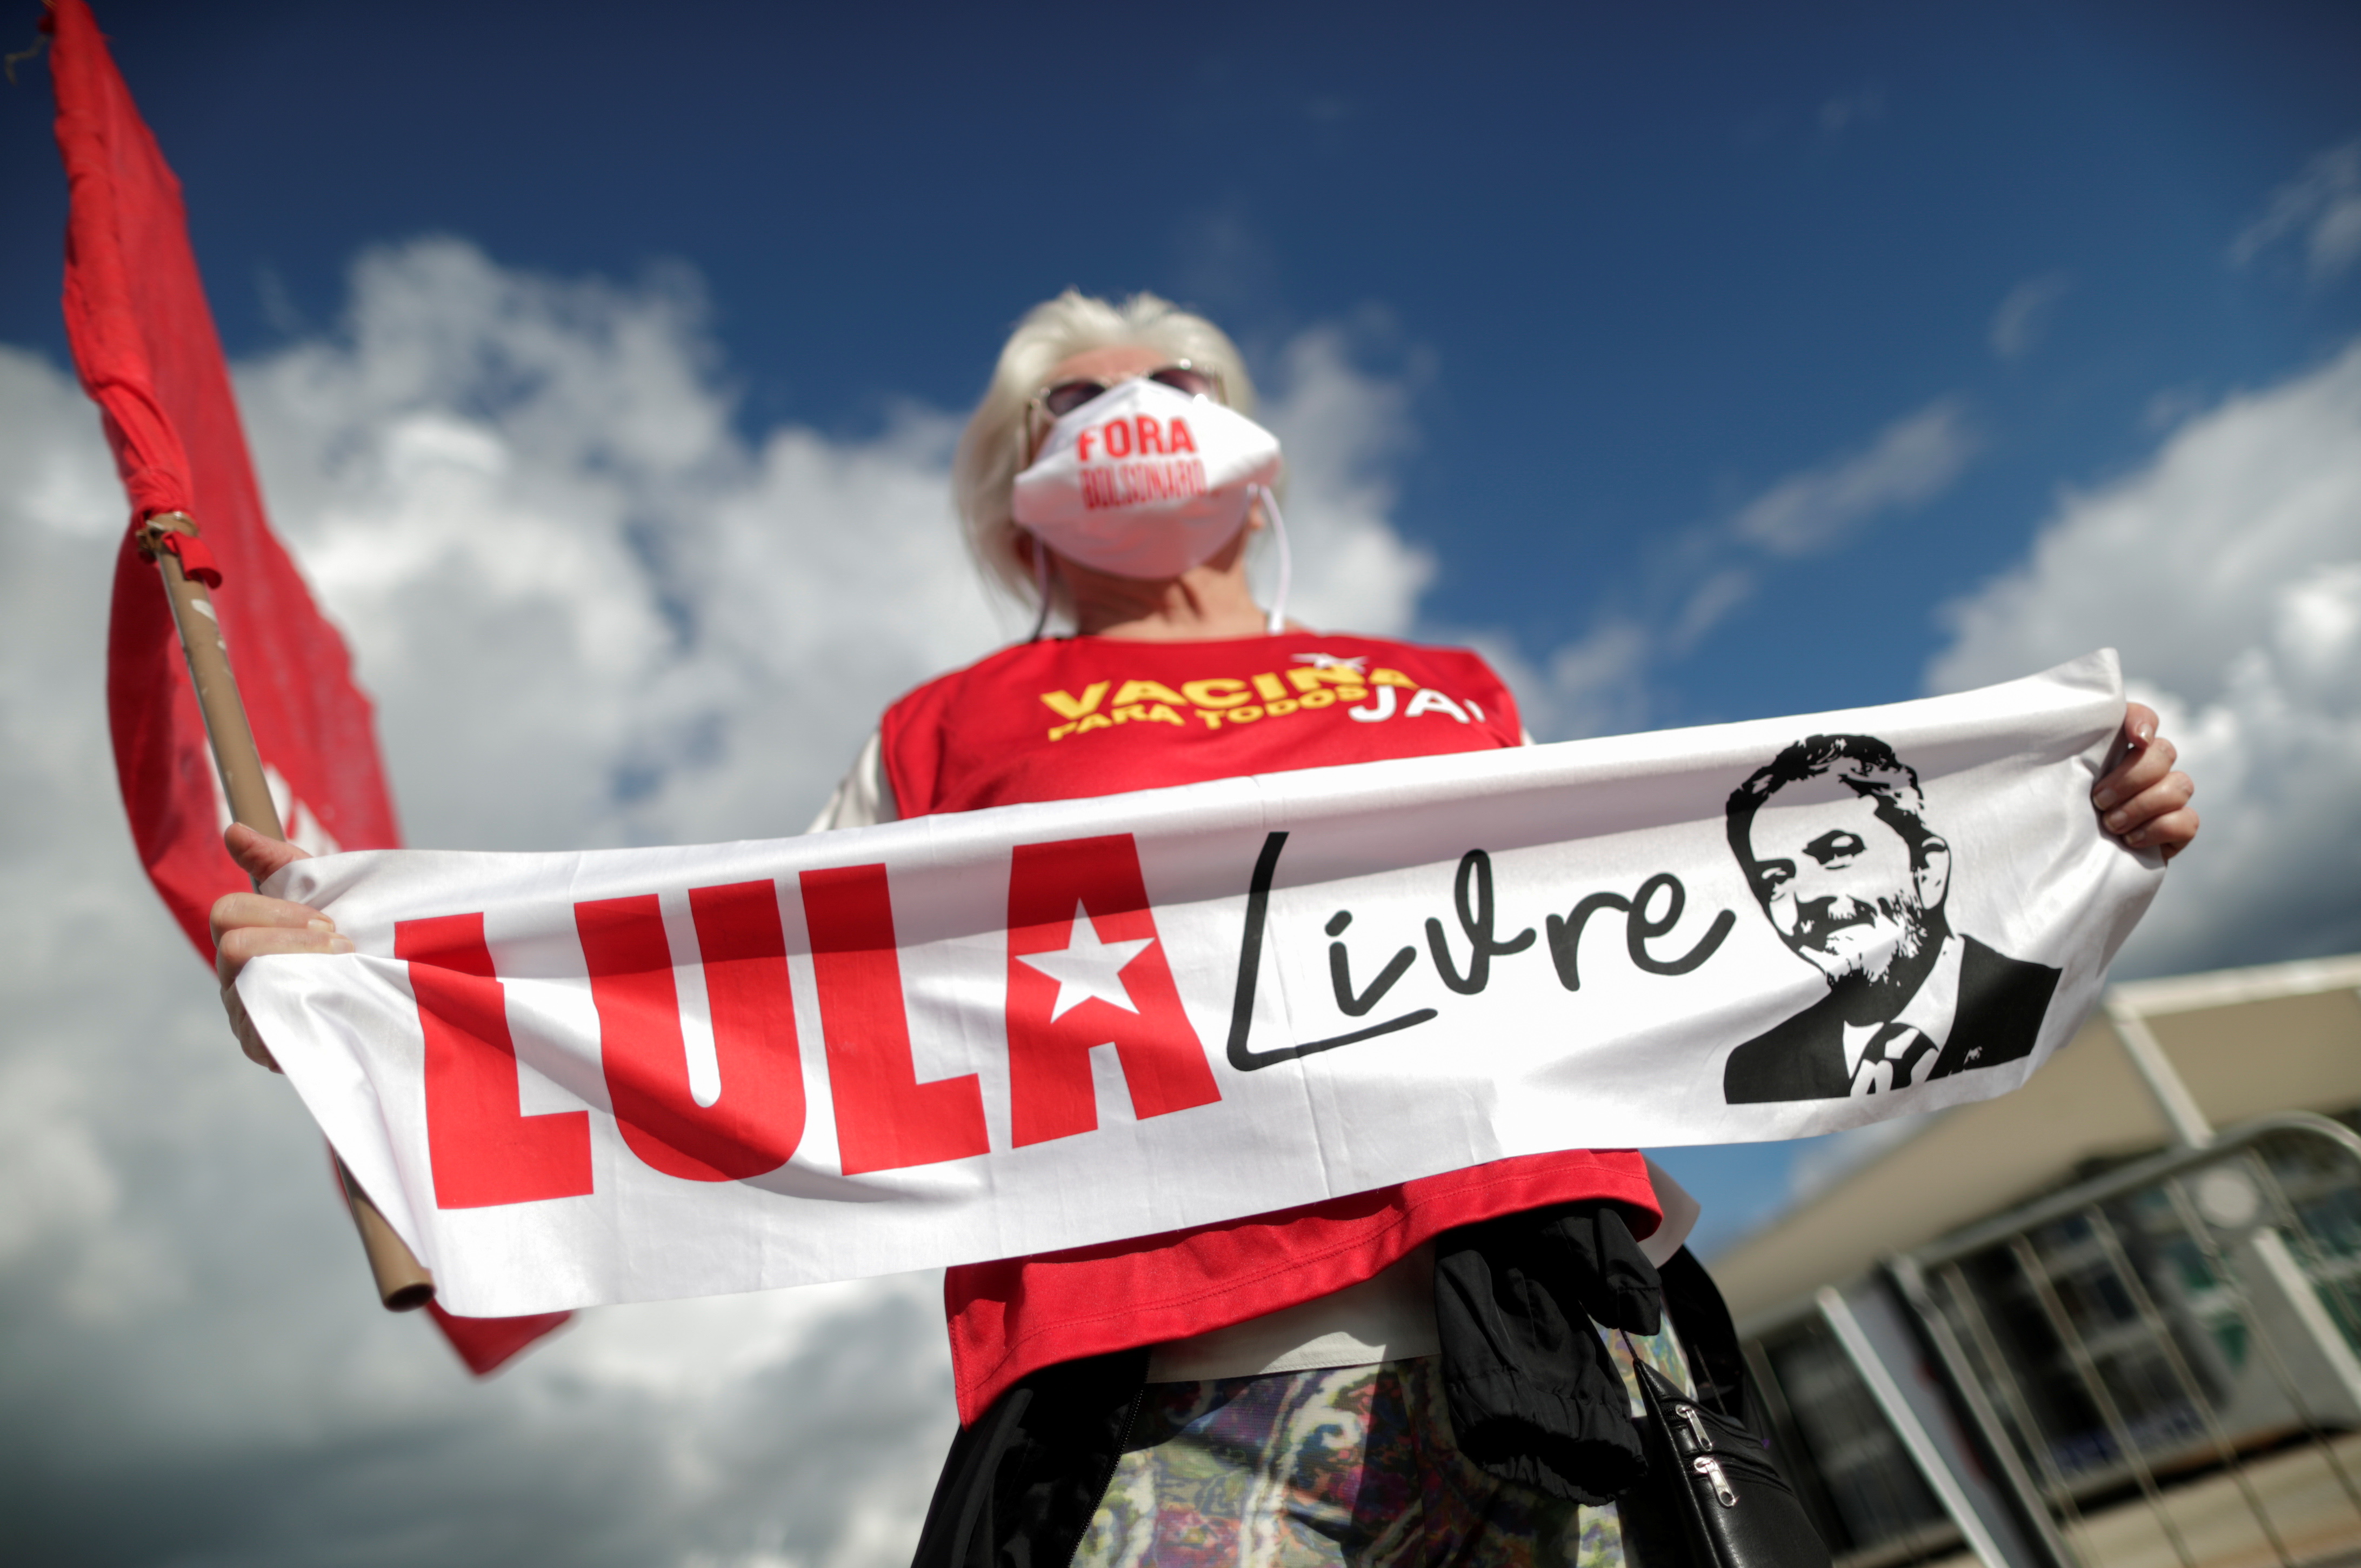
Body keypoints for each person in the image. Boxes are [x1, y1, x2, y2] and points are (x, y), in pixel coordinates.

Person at [209, 291, 2200, 1568]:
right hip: (1162, 1407)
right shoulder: (935, 733)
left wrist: (2070, 836)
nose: (1135, 411)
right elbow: (726, 998)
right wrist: (368, 997)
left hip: (1533, 1354)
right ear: (1016, 499)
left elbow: (1699, 934)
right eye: (1080, 397)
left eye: (1179, 383)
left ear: (1252, 468)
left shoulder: (1444, 685)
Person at [1721, 733, 2063, 1104]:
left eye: (1837, 853)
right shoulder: (1755, 1073)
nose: (1806, 899)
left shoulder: (2050, 1003)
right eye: (1775, 880)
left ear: (1929, 869)